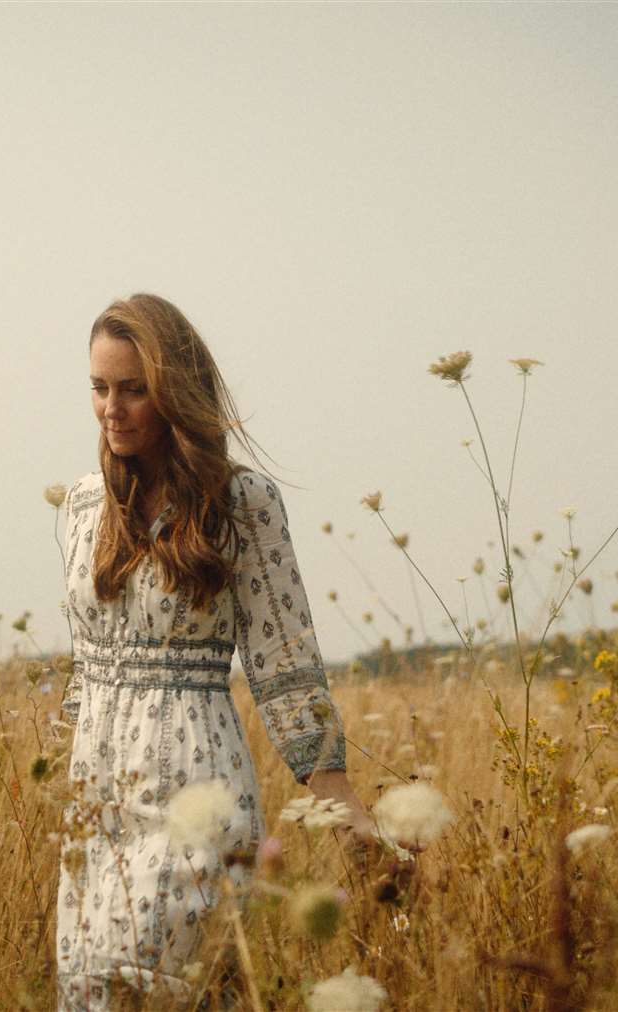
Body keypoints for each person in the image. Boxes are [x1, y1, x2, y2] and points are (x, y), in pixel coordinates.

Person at [53, 293, 381, 1009]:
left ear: (176, 394)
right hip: (97, 798)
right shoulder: (80, 508)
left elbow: (284, 662)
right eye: (100, 388)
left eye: (134, 390)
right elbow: (84, 665)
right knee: (92, 990)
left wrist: (343, 805)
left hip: (196, 790)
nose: (112, 408)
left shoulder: (243, 503)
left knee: (179, 986)